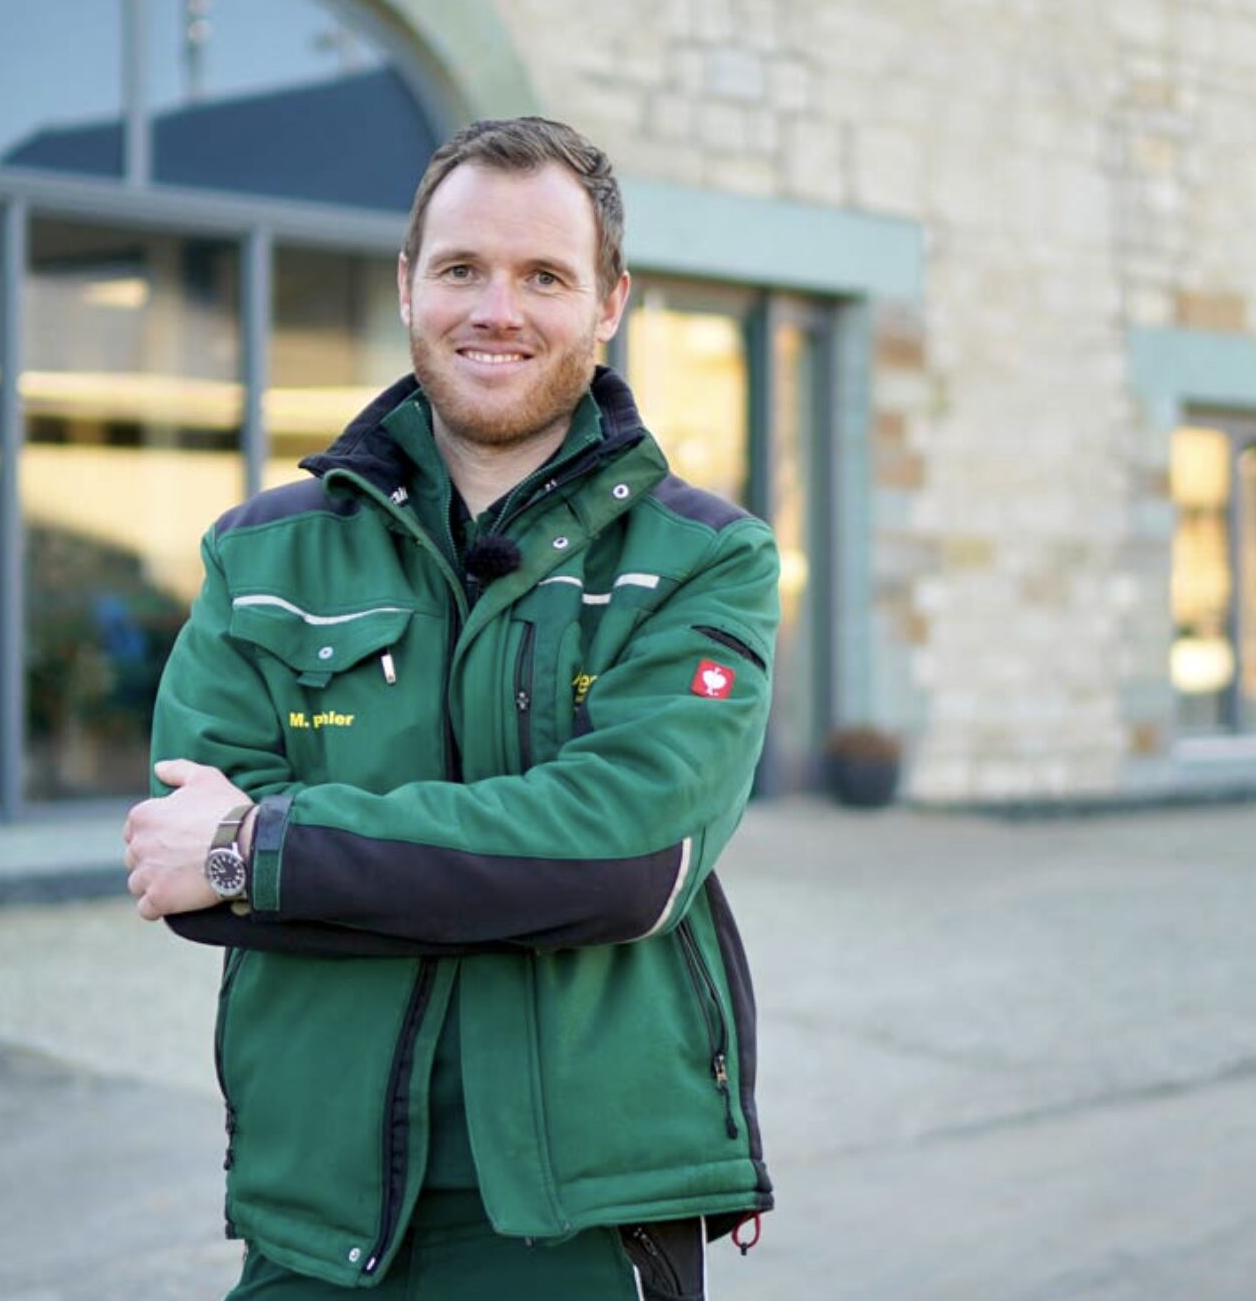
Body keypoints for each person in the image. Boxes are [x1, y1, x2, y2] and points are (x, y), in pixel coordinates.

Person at [122, 117, 778, 1300]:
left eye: (545, 276)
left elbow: (628, 861)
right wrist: (504, 865)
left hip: (576, 1212)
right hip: (318, 1201)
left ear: (609, 301)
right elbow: (189, 869)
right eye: (463, 268)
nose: (498, 308)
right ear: (407, 286)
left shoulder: (702, 559)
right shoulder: (261, 556)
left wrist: (261, 847)